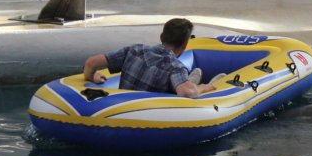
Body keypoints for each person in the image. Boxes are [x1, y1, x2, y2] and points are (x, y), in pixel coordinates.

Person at [82, 17, 218, 97]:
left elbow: (91, 63)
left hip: (121, 107)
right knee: (184, 87)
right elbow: (188, 93)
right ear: (185, 44)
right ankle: (191, 82)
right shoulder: (175, 67)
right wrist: (204, 88)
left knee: (178, 83)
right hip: (149, 117)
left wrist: (92, 77)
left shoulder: (134, 50)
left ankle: (188, 81)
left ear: (161, 37)